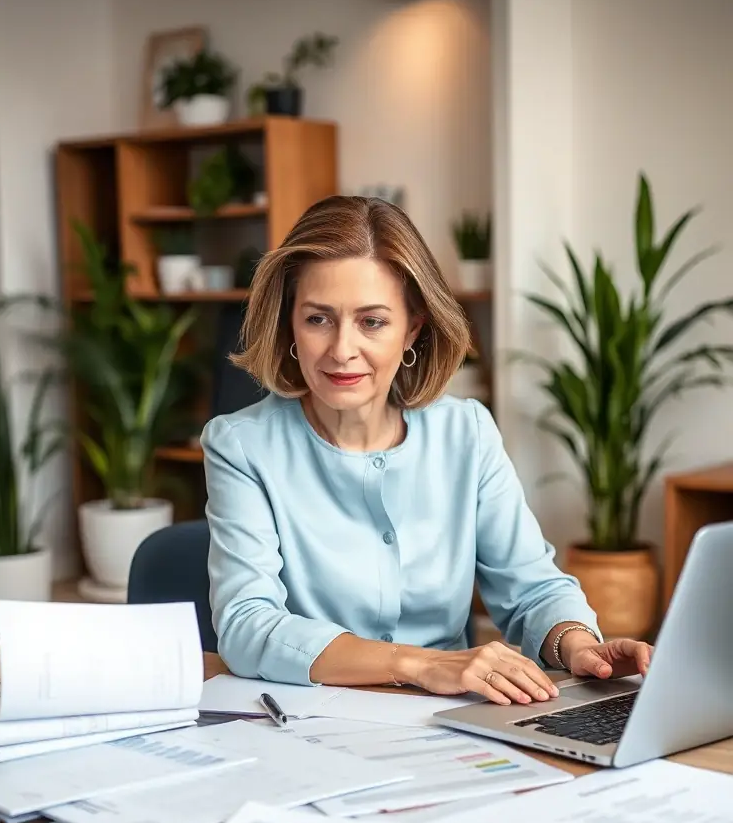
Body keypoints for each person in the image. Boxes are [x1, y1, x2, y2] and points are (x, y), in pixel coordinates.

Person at [200, 196, 652, 704]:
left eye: (372, 322)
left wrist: (577, 644)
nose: (342, 349)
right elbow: (246, 624)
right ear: (289, 324)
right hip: (312, 718)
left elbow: (532, 588)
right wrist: (421, 664)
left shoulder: (467, 432)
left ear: (412, 327)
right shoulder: (241, 445)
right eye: (318, 319)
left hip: (452, 724)